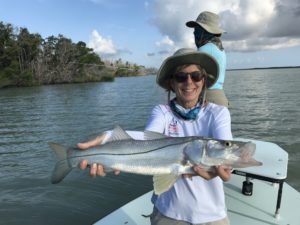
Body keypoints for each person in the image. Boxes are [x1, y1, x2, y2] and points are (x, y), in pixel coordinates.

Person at [78, 48, 232, 225]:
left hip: (212, 215)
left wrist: (226, 169)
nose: (189, 82)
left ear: (203, 81)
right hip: (168, 213)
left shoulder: (218, 113)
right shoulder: (162, 112)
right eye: (181, 77)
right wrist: (109, 136)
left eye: (196, 75)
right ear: (172, 83)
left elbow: (225, 151)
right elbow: (148, 141)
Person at [186, 11, 229, 107]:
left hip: (208, 98)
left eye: (197, 29)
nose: (194, 32)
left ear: (206, 31)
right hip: (220, 96)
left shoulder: (203, 49)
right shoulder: (219, 47)